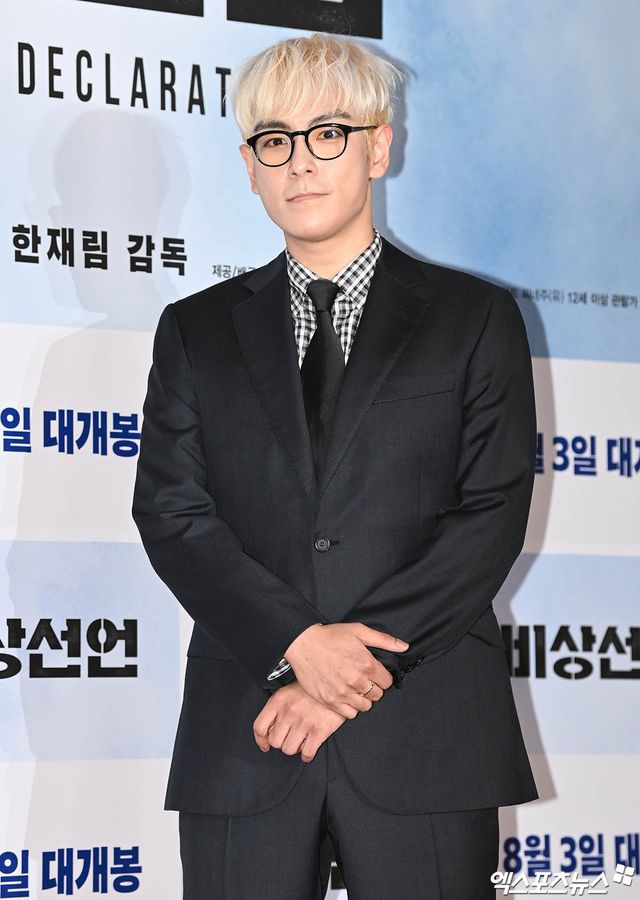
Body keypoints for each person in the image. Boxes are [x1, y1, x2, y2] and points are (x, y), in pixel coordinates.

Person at [132, 32, 538, 900]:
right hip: (249, 728)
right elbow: (172, 513)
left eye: (328, 133)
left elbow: (490, 512)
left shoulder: (474, 318)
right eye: (275, 140)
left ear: (378, 147)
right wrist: (296, 646)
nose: (301, 163)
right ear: (249, 166)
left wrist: (346, 673)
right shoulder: (196, 331)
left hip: (425, 731)